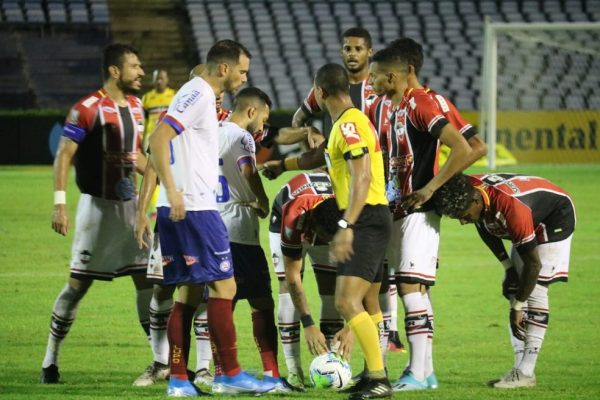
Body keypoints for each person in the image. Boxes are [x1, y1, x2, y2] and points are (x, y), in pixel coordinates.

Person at [148, 39, 275, 396]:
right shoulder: (200, 93)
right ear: (224, 69)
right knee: (226, 286)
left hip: (182, 206)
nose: (243, 77)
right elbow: (158, 139)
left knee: (187, 293)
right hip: (195, 207)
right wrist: (173, 190)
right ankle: (230, 373)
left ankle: (178, 380)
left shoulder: (195, 91)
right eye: (242, 70)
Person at [368, 39, 487, 391]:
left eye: (376, 77)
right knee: (408, 285)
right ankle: (425, 370)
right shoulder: (394, 105)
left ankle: (418, 373)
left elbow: (466, 149)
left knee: (408, 286)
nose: (371, 83)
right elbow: (477, 145)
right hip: (398, 207)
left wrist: (431, 189)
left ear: (394, 75)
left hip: (418, 210)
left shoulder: (423, 103)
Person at [41, 43, 152, 384]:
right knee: (77, 286)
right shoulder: (87, 109)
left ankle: (160, 360)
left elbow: (137, 158)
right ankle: (50, 360)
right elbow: (63, 155)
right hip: (97, 211)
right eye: (135, 66)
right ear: (115, 71)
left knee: (147, 281)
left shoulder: (136, 107)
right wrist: (60, 203)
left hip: (131, 210)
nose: (141, 72)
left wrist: (155, 185)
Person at [133, 66, 231, 389]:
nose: (215, 92)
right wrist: (141, 211)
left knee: (204, 291)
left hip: (206, 213)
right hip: (178, 211)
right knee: (164, 288)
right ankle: (163, 363)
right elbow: (151, 167)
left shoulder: (224, 118)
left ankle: (201, 367)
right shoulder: (184, 110)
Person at [433, 173, 575, 389]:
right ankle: (518, 369)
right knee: (515, 287)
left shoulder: (511, 208)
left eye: (463, 215)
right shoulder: (469, 191)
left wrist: (517, 307)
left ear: (475, 201)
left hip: (554, 216)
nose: (462, 221)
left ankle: (526, 372)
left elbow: (533, 266)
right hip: (528, 214)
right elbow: (484, 226)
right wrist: (508, 268)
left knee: (535, 289)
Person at [312, 63, 393, 399]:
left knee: (346, 301)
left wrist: (346, 224)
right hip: (372, 216)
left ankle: (379, 379)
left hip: (365, 218)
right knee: (369, 300)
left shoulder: (348, 123)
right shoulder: (348, 123)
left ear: (320, 92)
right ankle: (375, 371)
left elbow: (361, 177)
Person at [216, 86, 295, 393]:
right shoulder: (242, 137)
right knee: (261, 301)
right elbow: (248, 171)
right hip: (239, 232)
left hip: (214, 226)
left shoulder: (213, 132)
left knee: (222, 303)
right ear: (251, 111)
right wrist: (262, 201)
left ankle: (223, 374)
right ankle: (271, 375)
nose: (263, 124)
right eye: (263, 116)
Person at [268, 172, 352, 389]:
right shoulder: (293, 216)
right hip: (286, 218)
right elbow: (293, 277)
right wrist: (308, 324)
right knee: (286, 289)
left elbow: (360, 275)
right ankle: (294, 372)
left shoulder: (348, 210)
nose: (322, 243)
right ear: (313, 226)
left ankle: (333, 362)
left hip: (328, 218)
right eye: (322, 238)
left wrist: (352, 324)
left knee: (331, 289)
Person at [141, 69, 175, 152]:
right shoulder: (146, 98)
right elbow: (143, 121)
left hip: (169, 136)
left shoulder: (174, 96)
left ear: (167, 80)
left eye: (162, 78)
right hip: (151, 135)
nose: (159, 81)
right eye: (157, 79)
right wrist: (141, 139)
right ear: (153, 80)